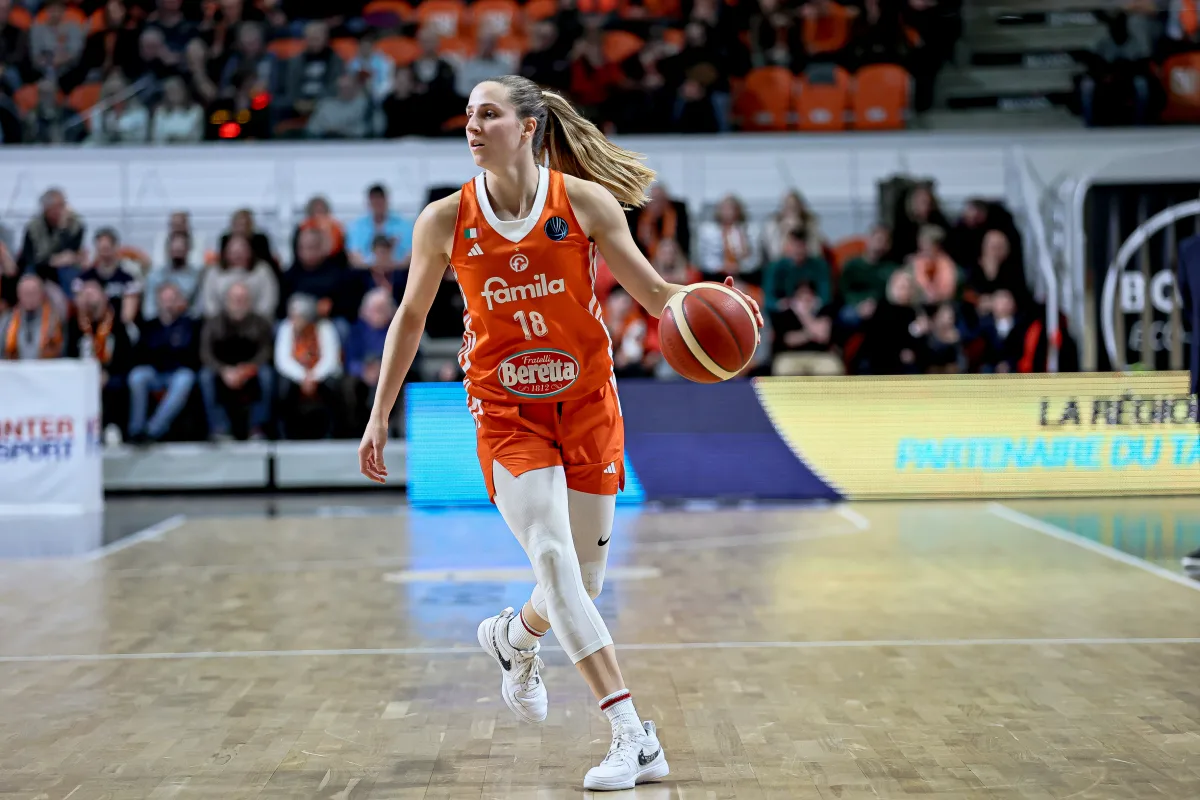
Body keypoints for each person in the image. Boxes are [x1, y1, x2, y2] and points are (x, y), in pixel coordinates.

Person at [357, 74, 762, 792]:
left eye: (488, 114)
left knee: (584, 580)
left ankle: (516, 637)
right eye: (468, 116)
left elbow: (656, 294)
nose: (472, 126)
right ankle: (633, 735)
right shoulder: (444, 220)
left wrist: (712, 304)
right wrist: (379, 412)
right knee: (551, 556)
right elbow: (410, 317)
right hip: (505, 409)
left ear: (528, 127)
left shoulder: (583, 203)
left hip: (587, 403)